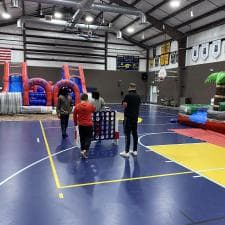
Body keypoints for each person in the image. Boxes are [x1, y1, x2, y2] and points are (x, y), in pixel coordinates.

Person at [120, 83, 141, 158]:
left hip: (128, 118)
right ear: (135, 88)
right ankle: (135, 151)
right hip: (135, 118)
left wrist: (123, 102)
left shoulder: (127, 95)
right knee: (135, 134)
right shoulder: (138, 96)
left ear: (129, 87)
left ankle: (126, 152)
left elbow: (125, 105)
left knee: (127, 134)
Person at [73, 93, 95, 159]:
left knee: (82, 138)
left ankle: (82, 151)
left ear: (81, 98)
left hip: (81, 125)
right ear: (87, 99)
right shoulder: (90, 105)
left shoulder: (77, 106)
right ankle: (85, 150)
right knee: (88, 138)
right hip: (89, 125)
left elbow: (74, 116)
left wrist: (75, 123)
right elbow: (94, 110)